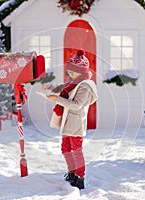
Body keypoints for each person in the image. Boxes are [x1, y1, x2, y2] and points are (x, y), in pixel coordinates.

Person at [42, 49, 97, 190]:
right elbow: (62, 88)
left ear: (82, 71)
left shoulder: (85, 86)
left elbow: (77, 105)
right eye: (69, 71)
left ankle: (80, 177)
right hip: (67, 120)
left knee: (76, 149)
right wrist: (49, 86)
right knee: (66, 148)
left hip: (76, 121)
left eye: (73, 71)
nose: (69, 74)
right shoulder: (73, 82)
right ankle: (72, 173)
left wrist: (57, 100)